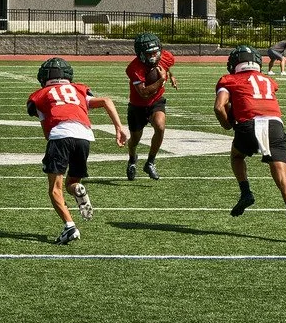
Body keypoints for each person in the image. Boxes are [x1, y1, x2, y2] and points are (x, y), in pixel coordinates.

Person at [26, 57, 128, 245]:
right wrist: (119, 127)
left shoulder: (39, 95)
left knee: (55, 189)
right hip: (84, 136)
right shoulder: (79, 89)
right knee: (72, 182)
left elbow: (46, 133)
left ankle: (69, 226)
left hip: (60, 135)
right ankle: (78, 190)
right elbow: (106, 100)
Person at [213, 45, 286, 242]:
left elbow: (219, 107)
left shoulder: (229, 79)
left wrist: (228, 125)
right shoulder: (269, 81)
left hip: (249, 124)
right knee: (282, 176)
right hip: (274, 125)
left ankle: (245, 192)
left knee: (237, 156)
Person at [124, 32, 175, 181]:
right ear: (140, 54)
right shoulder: (134, 68)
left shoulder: (165, 56)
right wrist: (162, 80)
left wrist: (171, 74)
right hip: (137, 105)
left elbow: (167, 65)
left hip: (156, 102)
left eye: (155, 52)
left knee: (160, 127)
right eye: (149, 53)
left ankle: (150, 162)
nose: (153, 56)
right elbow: (143, 93)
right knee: (134, 140)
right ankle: (132, 159)